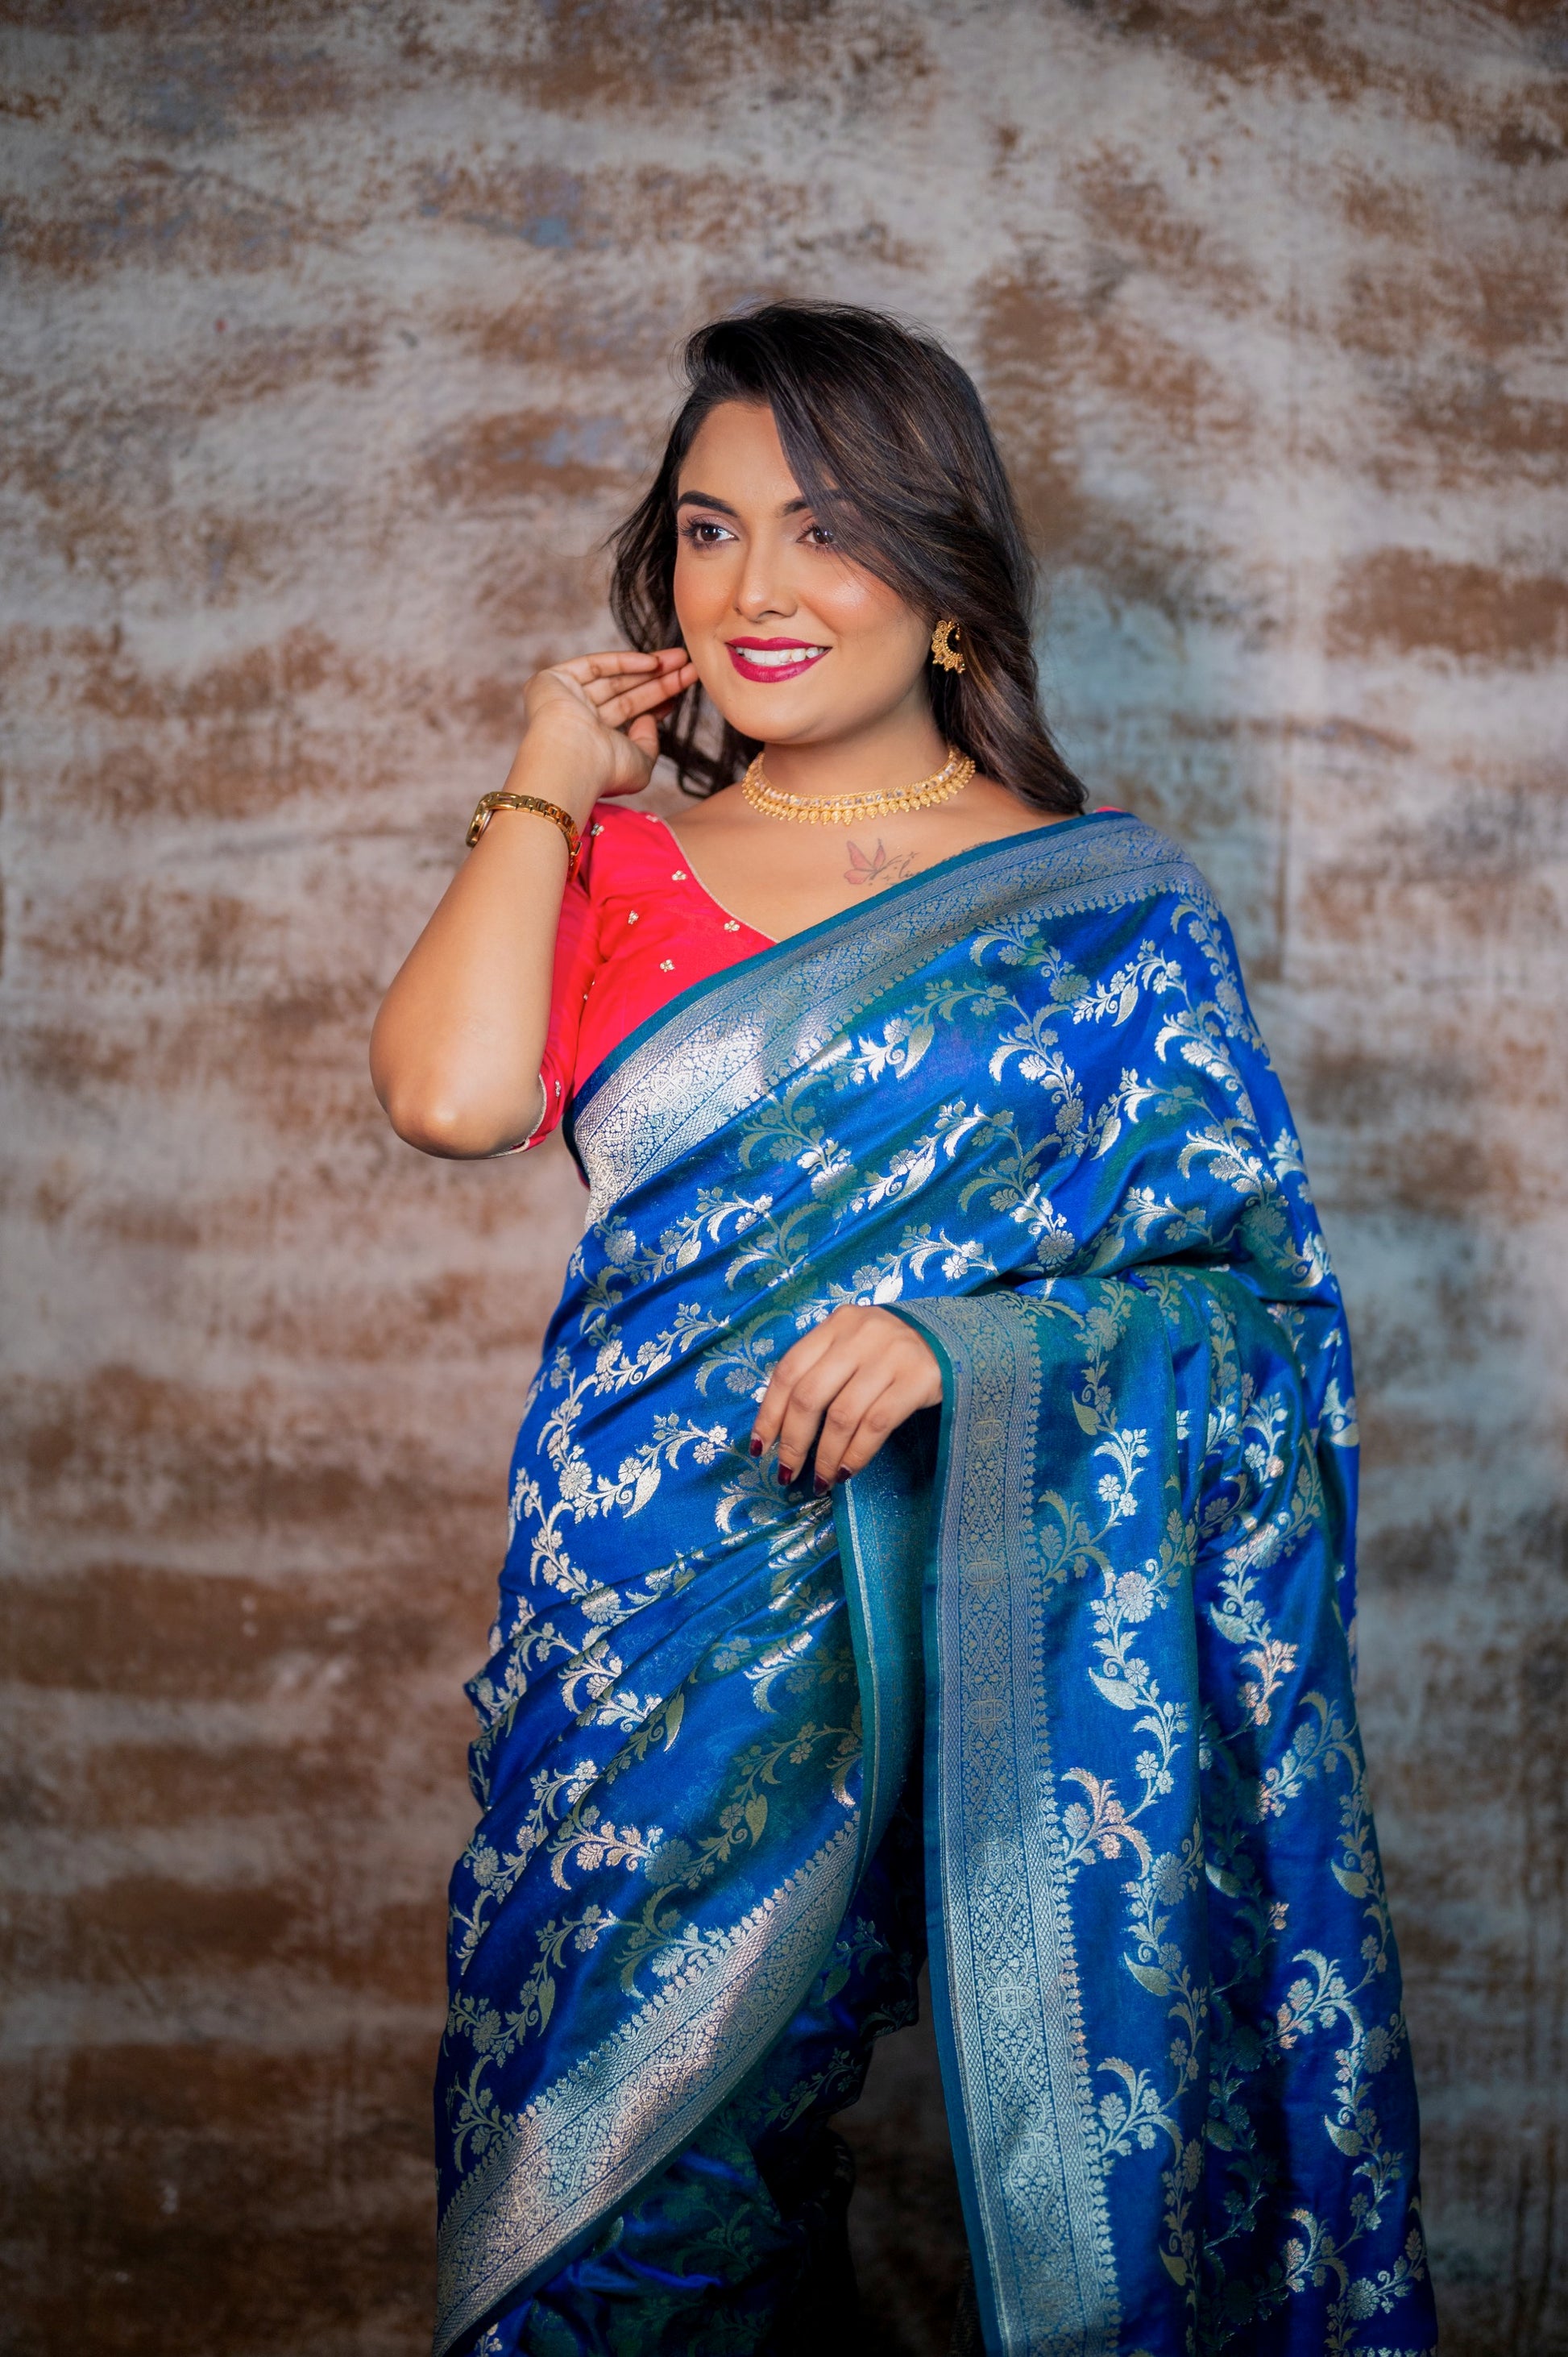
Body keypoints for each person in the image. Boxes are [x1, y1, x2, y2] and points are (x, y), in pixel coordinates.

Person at [371, 305, 1436, 2357]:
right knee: (620, 2195)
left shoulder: (1107, 912)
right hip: (645, 1615)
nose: (754, 589)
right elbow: (450, 1095)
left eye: (824, 528)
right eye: (705, 531)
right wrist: (540, 776)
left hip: (975, 1616)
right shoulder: (618, 860)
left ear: (945, 577)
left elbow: (1260, 1312)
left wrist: (982, 1349)